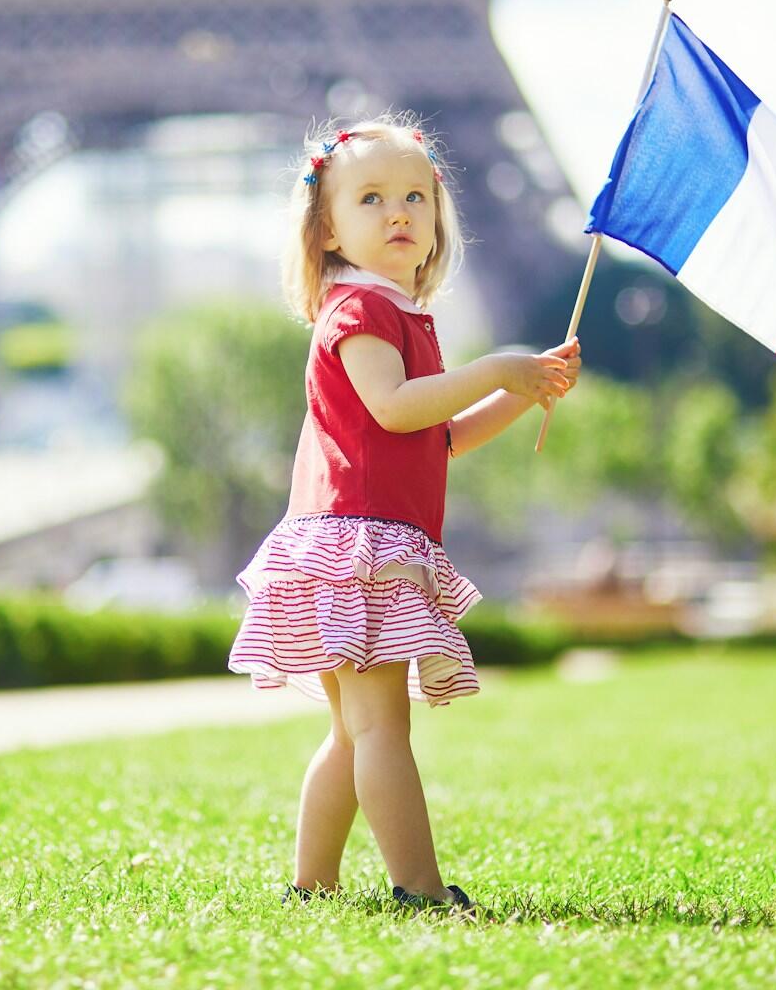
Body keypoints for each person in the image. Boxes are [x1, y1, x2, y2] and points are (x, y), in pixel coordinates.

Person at [227, 114, 581, 914]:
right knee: (383, 728)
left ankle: (311, 886)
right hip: (357, 544)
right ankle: (418, 890)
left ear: (436, 222)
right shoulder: (359, 315)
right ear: (325, 230)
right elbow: (393, 408)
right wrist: (496, 365)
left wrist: (521, 393)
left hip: (349, 540)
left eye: (416, 197)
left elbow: (441, 435)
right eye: (373, 197)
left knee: (355, 732)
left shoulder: (399, 315)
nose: (399, 213)